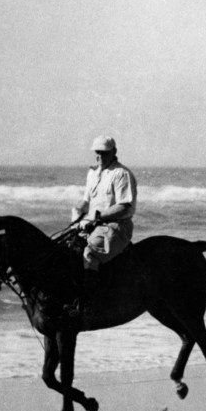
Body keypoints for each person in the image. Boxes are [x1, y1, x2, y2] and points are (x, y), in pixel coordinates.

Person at [67, 135, 138, 316]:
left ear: (114, 152)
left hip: (116, 226)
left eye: (104, 152)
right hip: (91, 224)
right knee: (66, 248)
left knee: (89, 254)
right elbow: (86, 201)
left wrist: (98, 218)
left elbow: (124, 207)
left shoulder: (122, 174)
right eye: (97, 152)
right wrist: (78, 211)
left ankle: (87, 306)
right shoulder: (92, 173)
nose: (100, 156)